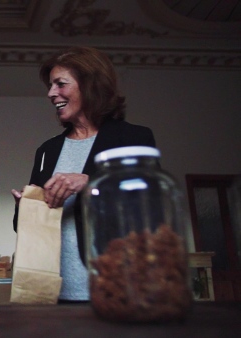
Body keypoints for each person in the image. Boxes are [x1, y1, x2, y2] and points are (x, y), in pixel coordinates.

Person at [11, 46, 156, 302]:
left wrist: (91, 183)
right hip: (54, 293)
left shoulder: (133, 138)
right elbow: (22, 227)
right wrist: (27, 208)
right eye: (50, 85)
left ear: (90, 85)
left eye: (60, 84)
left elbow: (150, 208)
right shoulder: (48, 150)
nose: (51, 93)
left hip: (116, 291)